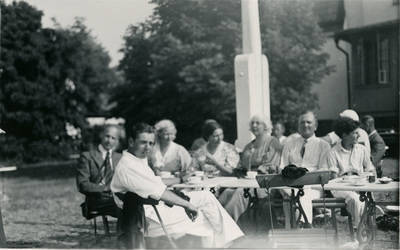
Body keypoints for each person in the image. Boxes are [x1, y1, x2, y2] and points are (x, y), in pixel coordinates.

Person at [110, 123, 244, 248]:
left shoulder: (137, 160)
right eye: (143, 142)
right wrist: (186, 204)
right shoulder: (129, 167)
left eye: (151, 143)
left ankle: (229, 242)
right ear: (131, 142)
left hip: (152, 208)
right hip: (150, 217)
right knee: (206, 216)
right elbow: (159, 192)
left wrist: (179, 183)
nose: (148, 147)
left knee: (206, 196)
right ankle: (230, 244)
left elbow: (156, 184)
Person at [219, 114, 281, 221]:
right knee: (227, 192)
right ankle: (217, 220)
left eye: (258, 123)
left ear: (266, 126)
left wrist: (255, 171)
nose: (254, 125)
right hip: (246, 182)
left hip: (264, 183)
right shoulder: (249, 146)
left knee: (240, 193)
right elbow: (242, 166)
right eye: (252, 123)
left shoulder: (272, 141)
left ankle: (229, 223)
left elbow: (272, 165)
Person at [279, 111, 331, 228]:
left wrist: (305, 178)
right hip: (290, 185)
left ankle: (303, 226)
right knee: (289, 194)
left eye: (309, 122)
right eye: (302, 122)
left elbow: (323, 170)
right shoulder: (289, 144)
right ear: (298, 126)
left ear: (315, 126)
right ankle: (295, 228)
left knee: (301, 197)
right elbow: (282, 167)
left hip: (312, 187)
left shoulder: (323, 145)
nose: (305, 125)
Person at [327, 117, 375, 226]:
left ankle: (361, 229)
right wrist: (348, 186)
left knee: (358, 198)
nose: (359, 136)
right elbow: (334, 177)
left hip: (359, 184)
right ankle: (360, 228)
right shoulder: (333, 152)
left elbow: (370, 169)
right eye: (355, 133)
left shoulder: (361, 149)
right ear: (344, 135)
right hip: (340, 186)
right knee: (355, 199)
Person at [76, 124, 122, 217]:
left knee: (134, 204)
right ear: (101, 135)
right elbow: (82, 185)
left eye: (113, 138)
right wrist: (105, 188)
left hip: (117, 198)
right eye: (107, 136)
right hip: (97, 200)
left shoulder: (120, 158)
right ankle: (126, 231)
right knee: (127, 205)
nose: (109, 140)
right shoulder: (88, 156)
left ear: (117, 141)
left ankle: (128, 231)